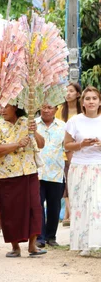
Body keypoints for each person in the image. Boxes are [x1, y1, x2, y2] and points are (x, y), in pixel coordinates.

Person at [0, 104, 46, 258]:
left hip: (29, 171)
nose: (1, 110)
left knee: (35, 207)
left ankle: (32, 245)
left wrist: (34, 131)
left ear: (15, 107)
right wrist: (17, 144)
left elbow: (41, 144)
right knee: (10, 210)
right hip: (7, 174)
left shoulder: (27, 122)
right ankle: (15, 247)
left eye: (5, 107)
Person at [64, 86, 101, 257]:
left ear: (99, 101)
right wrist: (81, 145)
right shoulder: (74, 121)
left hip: (98, 166)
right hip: (79, 166)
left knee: (97, 204)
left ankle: (97, 241)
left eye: (94, 98)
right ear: (83, 102)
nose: (91, 101)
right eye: (88, 98)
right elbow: (66, 145)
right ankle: (85, 243)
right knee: (82, 204)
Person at [36, 104, 66, 248]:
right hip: (37, 173)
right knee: (38, 205)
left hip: (56, 173)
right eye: (44, 107)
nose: (46, 110)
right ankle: (39, 237)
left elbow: (67, 148)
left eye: (50, 107)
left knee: (54, 207)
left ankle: (51, 236)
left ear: (56, 109)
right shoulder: (32, 124)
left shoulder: (63, 126)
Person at [56, 82, 81, 227]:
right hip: (62, 151)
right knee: (66, 181)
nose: (68, 94)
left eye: (71, 91)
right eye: (66, 91)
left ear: (78, 94)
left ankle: (70, 213)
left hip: (78, 150)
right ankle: (69, 212)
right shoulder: (60, 110)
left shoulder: (82, 110)